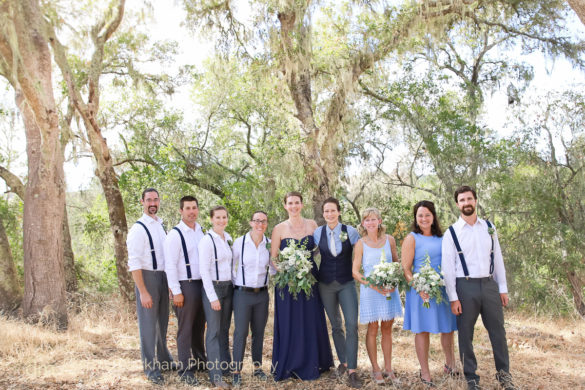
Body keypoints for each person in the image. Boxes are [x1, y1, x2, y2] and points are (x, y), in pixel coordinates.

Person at [441, 186, 516, 390]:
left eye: (469, 199)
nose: (466, 203)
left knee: (498, 333)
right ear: (457, 204)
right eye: (462, 200)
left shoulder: (489, 227)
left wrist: (503, 288)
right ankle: (472, 379)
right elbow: (447, 268)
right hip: (465, 286)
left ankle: (504, 376)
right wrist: (453, 297)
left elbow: (497, 258)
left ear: (475, 201)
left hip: (490, 285)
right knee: (466, 334)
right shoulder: (452, 233)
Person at [270, 191, 333, 381]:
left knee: (310, 319)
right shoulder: (278, 229)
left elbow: (315, 251)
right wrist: (287, 272)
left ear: (302, 205)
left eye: (297, 202)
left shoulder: (312, 225)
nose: (294, 206)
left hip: (309, 279)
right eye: (290, 203)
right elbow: (274, 258)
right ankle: (290, 364)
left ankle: (313, 362)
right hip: (287, 282)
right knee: (290, 321)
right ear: (285, 206)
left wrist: (304, 265)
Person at [401, 200, 458, 387]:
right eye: (420, 215)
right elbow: (406, 269)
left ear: (433, 217)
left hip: (442, 289)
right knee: (422, 330)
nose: (424, 218)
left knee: (448, 328)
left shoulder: (444, 238)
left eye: (427, 215)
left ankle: (450, 364)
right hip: (421, 291)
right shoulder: (412, 238)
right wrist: (419, 288)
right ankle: (424, 371)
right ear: (415, 219)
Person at [127, 188, 175, 385]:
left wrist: (171, 283)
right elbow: (134, 263)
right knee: (148, 325)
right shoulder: (138, 229)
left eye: (155, 199)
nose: (152, 203)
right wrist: (143, 291)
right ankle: (150, 368)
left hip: (163, 277)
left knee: (162, 322)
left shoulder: (160, 224)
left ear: (159, 201)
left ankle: (164, 359)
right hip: (147, 278)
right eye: (149, 200)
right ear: (142, 202)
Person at [313, 197, 362, 388]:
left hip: (346, 283)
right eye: (326, 211)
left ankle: (353, 370)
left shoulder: (350, 231)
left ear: (339, 212)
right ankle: (344, 362)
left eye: (333, 210)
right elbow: (312, 254)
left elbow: (360, 253)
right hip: (325, 284)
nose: (329, 214)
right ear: (323, 213)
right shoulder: (318, 232)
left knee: (351, 324)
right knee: (336, 325)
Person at [352, 207, 402, 385]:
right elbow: (355, 272)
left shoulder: (390, 240)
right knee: (373, 329)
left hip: (388, 290)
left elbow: (396, 264)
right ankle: (376, 368)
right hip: (371, 290)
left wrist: (392, 281)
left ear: (379, 221)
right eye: (367, 220)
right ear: (363, 224)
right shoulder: (361, 243)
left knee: (387, 328)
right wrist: (374, 285)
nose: (371, 222)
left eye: (374, 219)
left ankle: (388, 368)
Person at [164, 195, 207, 385]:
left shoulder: (201, 231)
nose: (191, 211)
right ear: (181, 211)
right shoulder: (175, 234)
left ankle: (200, 362)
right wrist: (176, 290)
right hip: (185, 285)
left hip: (202, 284)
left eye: (194, 208)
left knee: (199, 327)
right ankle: (184, 369)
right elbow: (170, 265)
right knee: (185, 329)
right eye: (188, 208)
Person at [230, 211, 275, 386]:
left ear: (266, 223)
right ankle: (236, 370)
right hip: (242, 294)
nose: (260, 224)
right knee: (240, 332)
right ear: (251, 222)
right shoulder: (239, 242)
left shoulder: (269, 244)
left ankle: (257, 368)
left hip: (262, 295)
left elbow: (273, 268)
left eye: (263, 221)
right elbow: (230, 266)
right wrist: (238, 284)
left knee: (259, 332)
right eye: (257, 221)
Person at [199, 206, 234, 388]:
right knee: (213, 331)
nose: (221, 220)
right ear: (211, 219)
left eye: (224, 217)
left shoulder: (228, 238)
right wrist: (212, 297)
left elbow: (231, 265)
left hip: (228, 288)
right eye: (218, 217)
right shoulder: (207, 241)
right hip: (213, 288)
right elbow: (204, 271)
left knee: (224, 329)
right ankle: (215, 376)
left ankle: (225, 367)